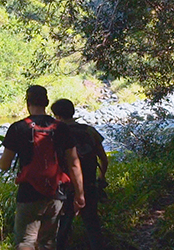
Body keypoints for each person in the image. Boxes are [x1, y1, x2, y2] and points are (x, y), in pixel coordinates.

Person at [0, 85, 85, 250]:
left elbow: (4, 164)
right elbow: (74, 163)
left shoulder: (18, 128)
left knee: (26, 242)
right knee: (48, 242)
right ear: (46, 102)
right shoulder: (62, 127)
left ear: (27, 102)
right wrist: (80, 195)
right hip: (56, 194)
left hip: (28, 193)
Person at [52, 98, 109, 250]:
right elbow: (104, 160)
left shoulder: (55, 133)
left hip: (64, 188)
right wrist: (101, 177)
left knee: (62, 229)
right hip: (89, 185)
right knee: (92, 226)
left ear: (57, 116)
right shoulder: (89, 131)